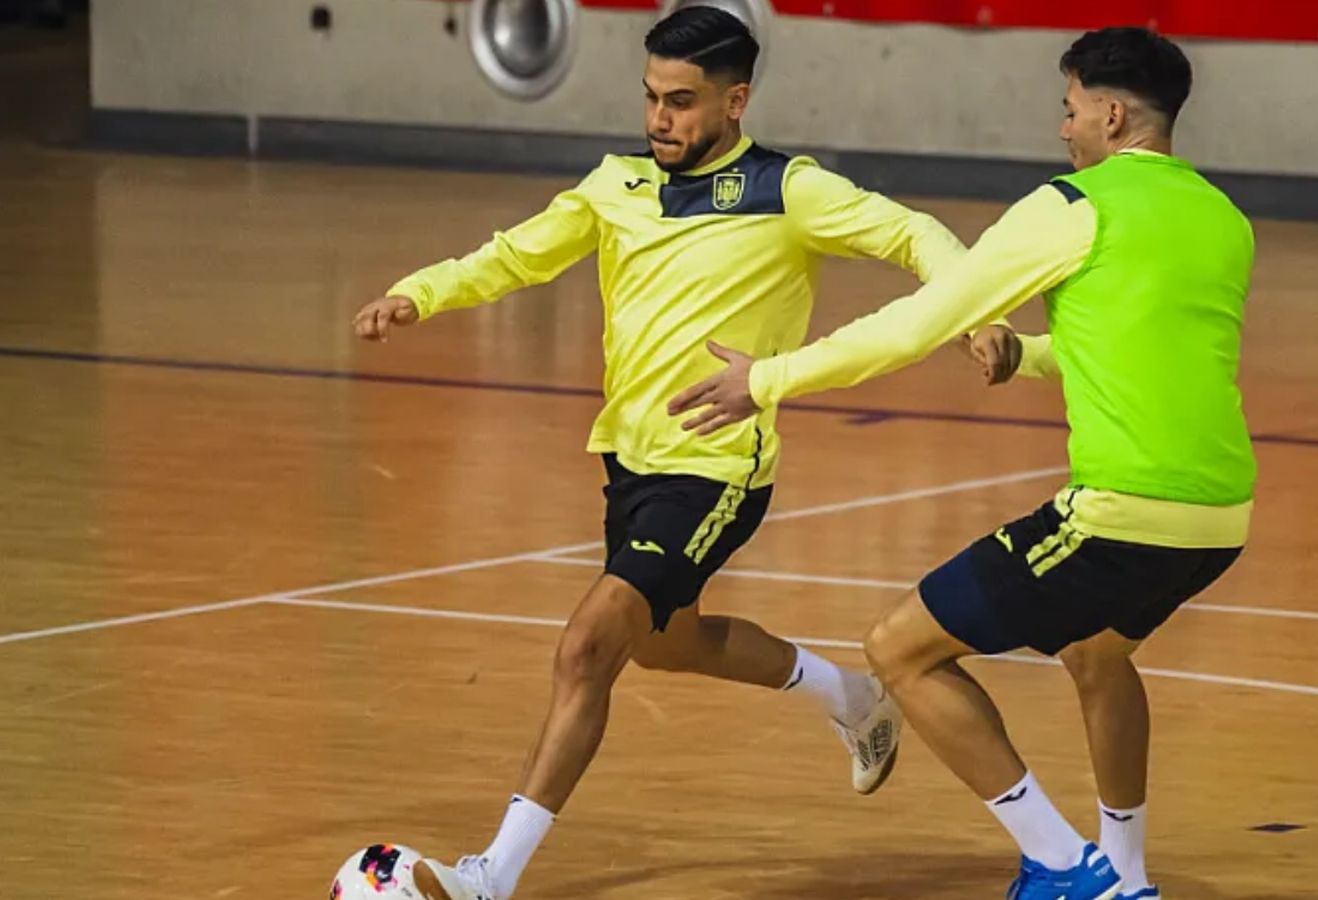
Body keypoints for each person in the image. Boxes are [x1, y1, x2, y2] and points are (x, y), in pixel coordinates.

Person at [349, 7, 1008, 900]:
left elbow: (913, 233)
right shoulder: (615, 185)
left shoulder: (789, 189)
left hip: (716, 470)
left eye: (684, 103)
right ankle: (851, 698)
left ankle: (488, 878)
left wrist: (977, 309)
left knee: (590, 647)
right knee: (667, 644)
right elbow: (516, 259)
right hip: (629, 461)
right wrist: (416, 295)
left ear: (736, 102)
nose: (661, 119)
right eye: (653, 98)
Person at [671, 26, 1255, 900]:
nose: (1062, 131)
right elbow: (1150, 352)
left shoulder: (1074, 206)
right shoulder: (1225, 220)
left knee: (899, 650)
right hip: (1219, 518)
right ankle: (1127, 879)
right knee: (1099, 656)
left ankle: (1065, 868)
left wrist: (770, 378)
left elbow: (917, 325)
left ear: (1111, 112)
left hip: (1122, 512)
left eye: (1069, 111)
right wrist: (1027, 354)